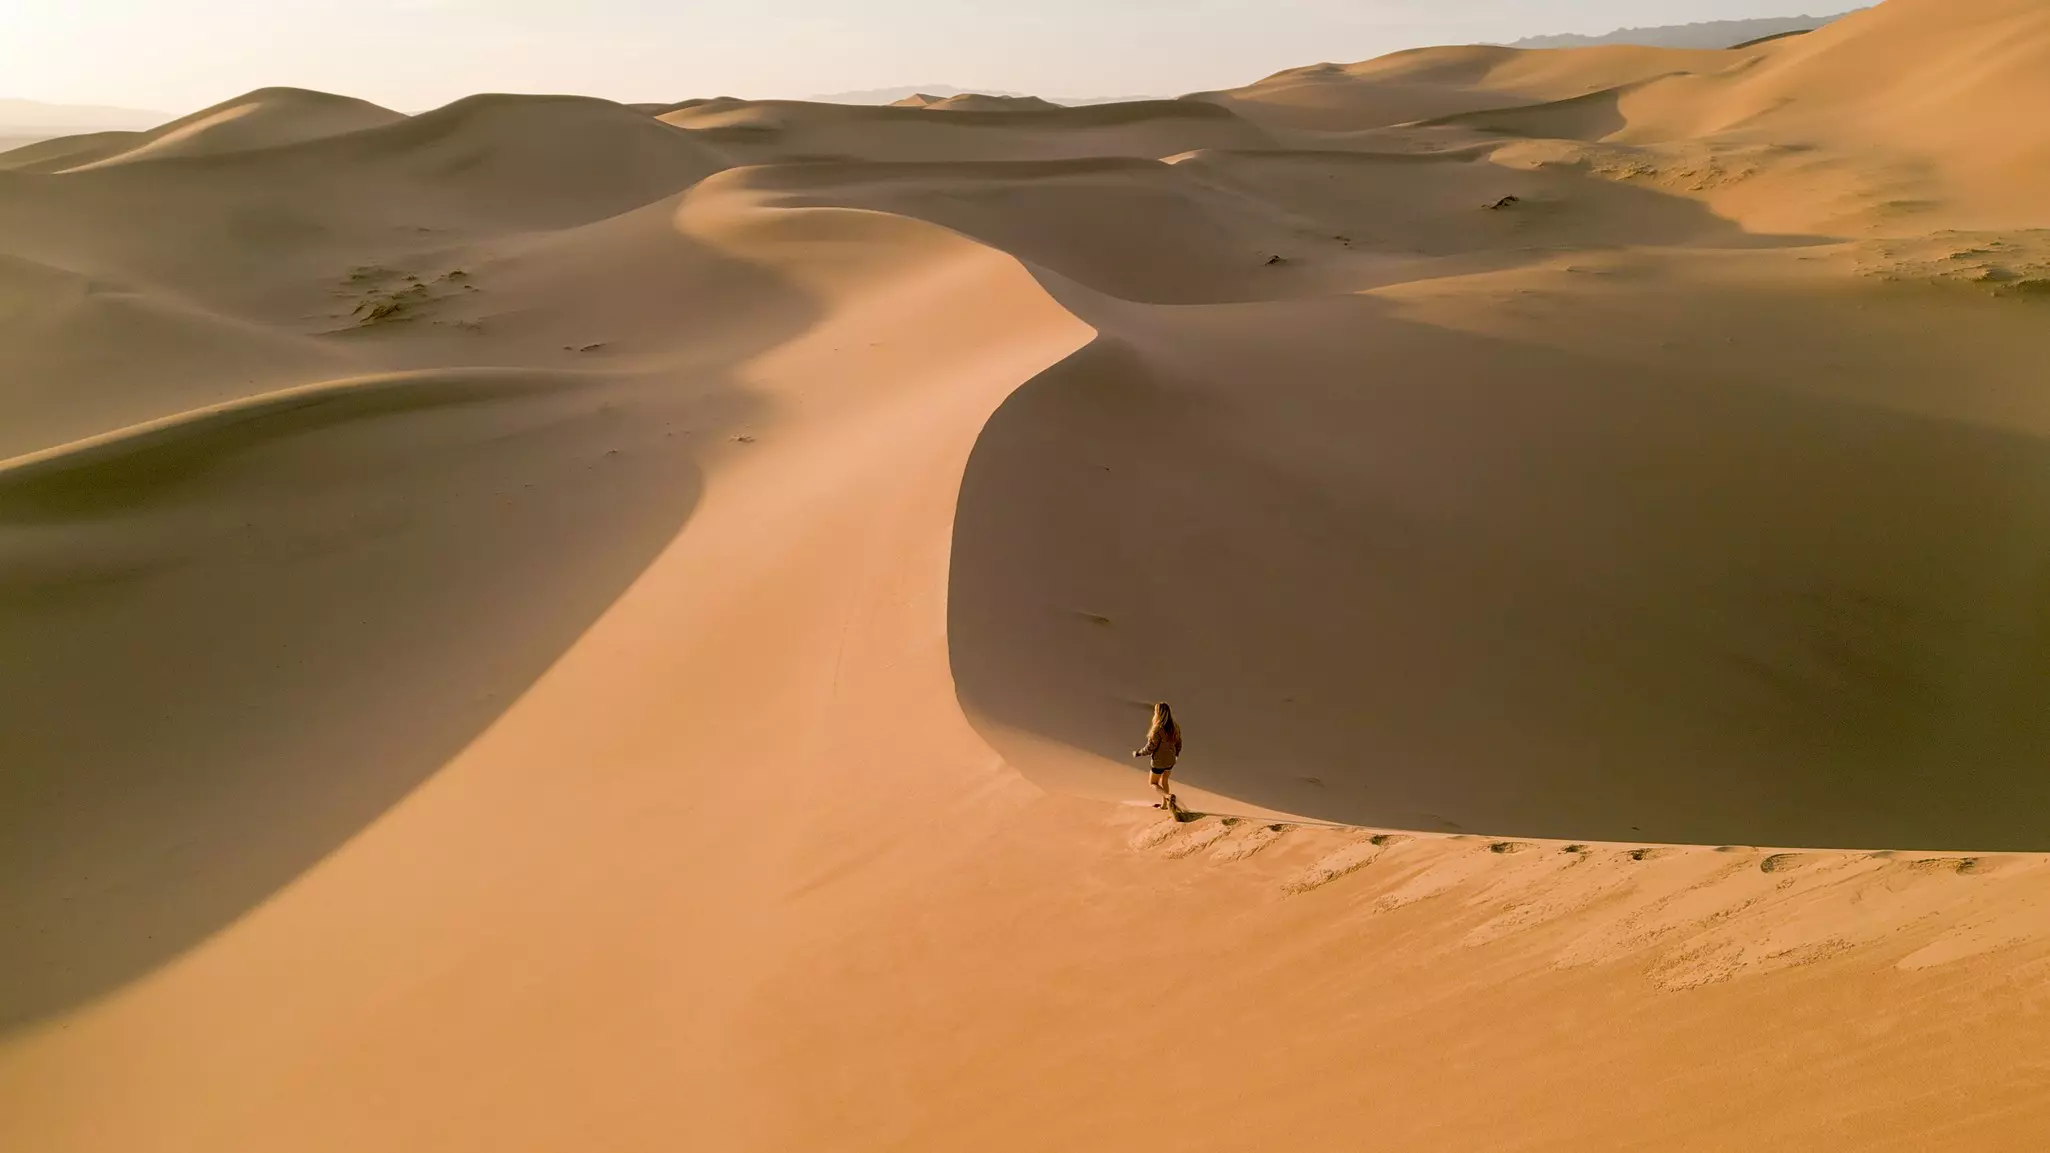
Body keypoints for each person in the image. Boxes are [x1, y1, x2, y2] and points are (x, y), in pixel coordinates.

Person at [1132, 701, 1183, 810]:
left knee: (1153, 782)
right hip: (1170, 760)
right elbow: (1179, 743)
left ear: (1158, 713)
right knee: (1164, 780)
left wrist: (1138, 753)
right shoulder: (1175, 727)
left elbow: (1150, 748)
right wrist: (1176, 754)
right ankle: (1164, 805)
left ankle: (1168, 796)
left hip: (1159, 762)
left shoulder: (1157, 729)